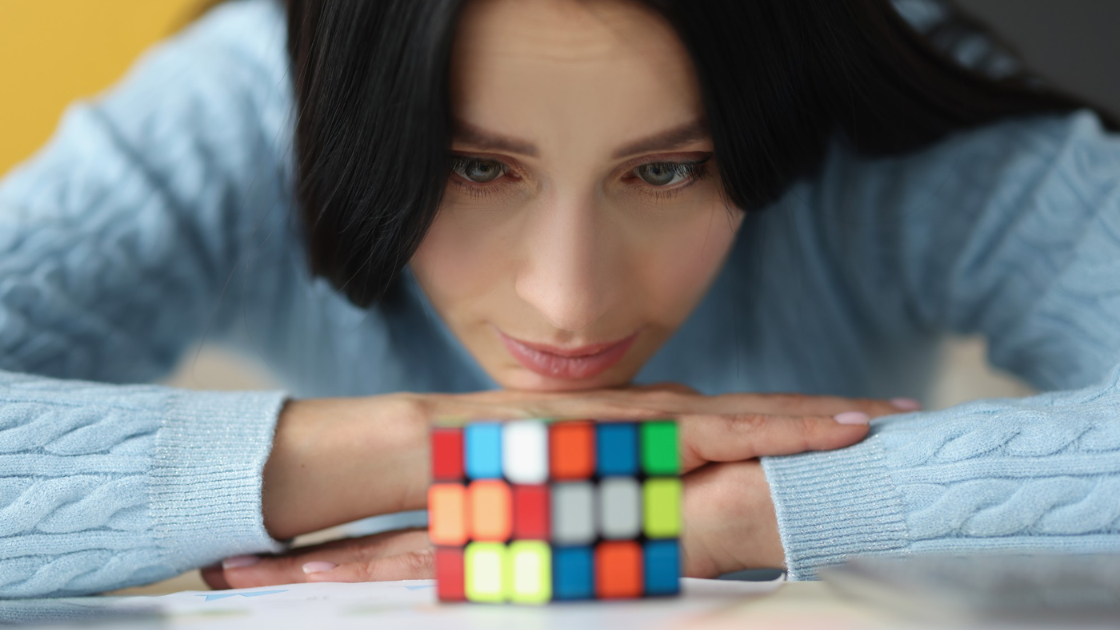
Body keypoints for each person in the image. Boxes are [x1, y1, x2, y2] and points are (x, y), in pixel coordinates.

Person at [2, 0, 1119, 598]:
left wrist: (689, 516)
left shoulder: (874, 105)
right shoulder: (242, 111)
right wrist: (444, 443)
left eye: (667, 168)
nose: (570, 303)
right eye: (476, 167)